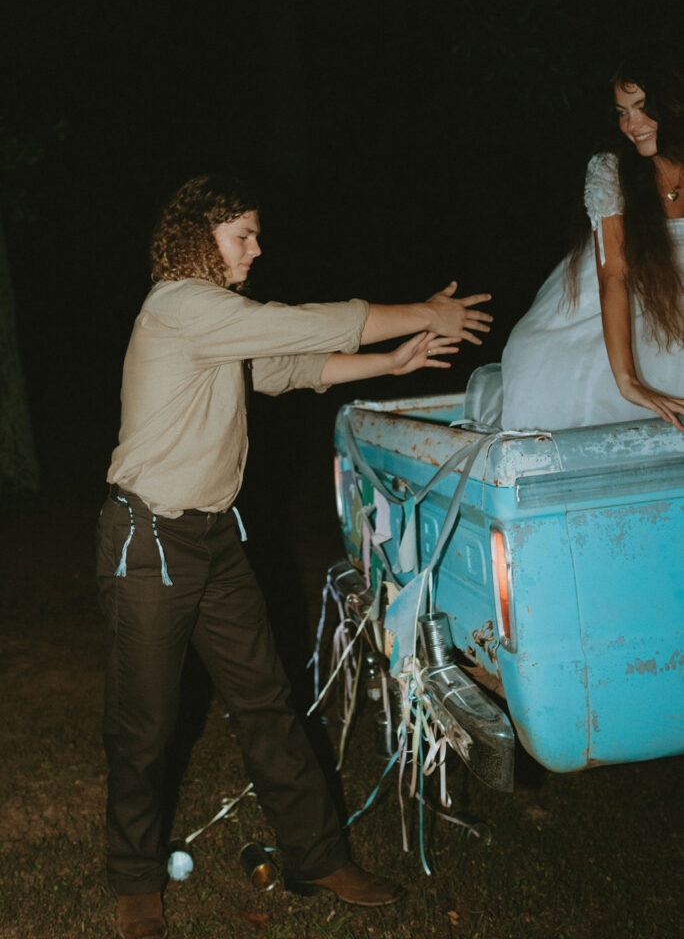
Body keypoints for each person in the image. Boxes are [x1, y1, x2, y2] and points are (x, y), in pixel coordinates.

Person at [96, 173, 493, 939]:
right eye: (242, 234)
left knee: (268, 705)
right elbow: (305, 328)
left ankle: (317, 855)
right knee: (143, 724)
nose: (256, 248)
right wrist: (424, 312)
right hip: (149, 542)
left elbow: (288, 368)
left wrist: (395, 363)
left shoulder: (218, 325)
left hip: (215, 540)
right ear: (198, 238)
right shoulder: (179, 305)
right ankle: (134, 879)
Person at [501, 49, 684, 432]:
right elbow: (612, 277)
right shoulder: (611, 169)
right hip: (593, 323)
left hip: (670, 319)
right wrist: (629, 382)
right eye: (622, 112)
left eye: (641, 107)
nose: (632, 124)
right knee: (566, 399)